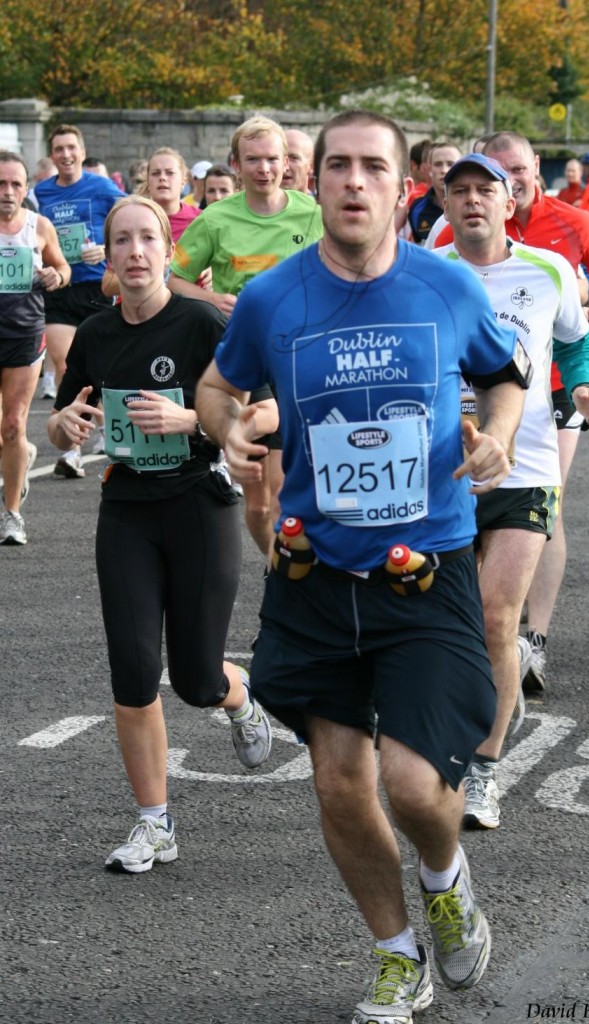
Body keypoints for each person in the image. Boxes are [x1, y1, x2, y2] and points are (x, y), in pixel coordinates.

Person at [196, 109, 530, 1024]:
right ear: (315, 184)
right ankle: (394, 954)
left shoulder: (447, 289)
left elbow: (505, 377)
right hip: (311, 572)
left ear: (398, 186)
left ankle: (445, 877)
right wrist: (225, 428)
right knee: (340, 781)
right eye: (335, 166)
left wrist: (497, 436)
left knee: (418, 787)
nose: (352, 182)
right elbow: (219, 383)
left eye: (371, 168)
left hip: (426, 566)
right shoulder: (273, 298)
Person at [46, 195, 273, 872]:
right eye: (123, 242)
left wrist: (195, 423)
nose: (136, 252)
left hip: (198, 505)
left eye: (148, 239)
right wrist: (63, 428)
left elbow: (260, 411)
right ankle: (154, 823)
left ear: (167, 253)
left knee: (197, 679)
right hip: (127, 510)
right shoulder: (94, 334)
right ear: (109, 258)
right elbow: (65, 414)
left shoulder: (202, 325)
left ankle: (239, 696)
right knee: (134, 671)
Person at [436, 153, 589, 828]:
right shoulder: (429, 270)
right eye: (460, 191)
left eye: (487, 190)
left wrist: (587, 386)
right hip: (438, 467)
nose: (473, 200)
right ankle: (432, 734)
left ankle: (483, 770)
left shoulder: (548, 270)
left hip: (526, 463)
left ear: (511, 202)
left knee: (494, 617)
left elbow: (572, 345)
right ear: (444, 204)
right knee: (435, 619)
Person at [474, 130, 589, 695]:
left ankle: (531, 636)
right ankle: (491, 644)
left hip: (553, 387)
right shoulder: (444, 242)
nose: (506, 179)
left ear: (533, 168)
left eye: (514, 169)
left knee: (545, 505)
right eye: (492, 171)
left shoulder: (571, 225)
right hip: (465, 415)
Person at [168, 115, 323, 558]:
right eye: (253, 160)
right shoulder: (214, 220)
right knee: (258, 505)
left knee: (284, 492)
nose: (265, 168)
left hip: (303, 359)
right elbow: (173, 278)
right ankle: (279, 566)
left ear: (287, 162)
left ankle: (289, 577)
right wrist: (210, 300)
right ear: (235, 165)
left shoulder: (312, 213)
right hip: (246, 359)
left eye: (273, 159)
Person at [35, 123, 124, 478]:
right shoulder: (41, 192)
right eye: (59, 149)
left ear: (82, 152)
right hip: (58, 287)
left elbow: (126, 219)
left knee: (99, 363)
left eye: (72, 147)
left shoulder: (101, 187)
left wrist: (105, 248)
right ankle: (72, 449)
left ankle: (103, 425)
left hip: (95, 287)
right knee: (65, 364)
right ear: (52, 155)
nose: (66, 154)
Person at [0, 151, 71, 546]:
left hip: (25, 333)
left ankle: (12, 515)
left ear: (26, 189)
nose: (7, 192)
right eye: (0, 184)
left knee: (13, 424)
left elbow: (64, 269)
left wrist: (54, 275)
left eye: (15, 184)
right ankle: (18, 456)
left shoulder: (39, 227)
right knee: (5, 434)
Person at [408, 140, 461, 243]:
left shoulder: (472, 204)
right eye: (438, 164)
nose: (444, 170)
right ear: (429, 169)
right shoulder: (417, 207)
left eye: (450, 164)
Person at [143, 147, 200, 243]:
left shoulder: (200, 220)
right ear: (148, 181)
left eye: (170, 173)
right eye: (156, 173)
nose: (162, 178)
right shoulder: (135, 219)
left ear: (183, 181)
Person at [282, 128, 314, 193]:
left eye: (294, 158)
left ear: (311, 166)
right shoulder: (257, 202)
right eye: (279, 158)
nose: (285, 166)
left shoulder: (325, 203)